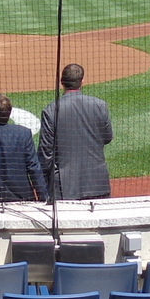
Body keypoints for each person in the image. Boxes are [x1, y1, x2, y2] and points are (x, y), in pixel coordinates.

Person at [38, 63, 115, 200]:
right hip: (97, 183)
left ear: (62, 82)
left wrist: (44, 184)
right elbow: (107, 137)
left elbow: (45, 153)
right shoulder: (99, 105)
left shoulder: (51, 110)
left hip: (64, 187)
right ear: (82, 81)